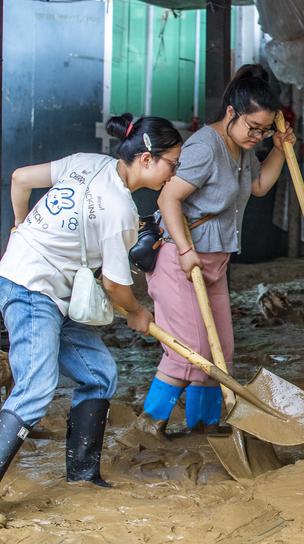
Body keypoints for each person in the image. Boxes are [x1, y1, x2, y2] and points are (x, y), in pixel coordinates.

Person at [0, 114, 180, 487]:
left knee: (99, 374)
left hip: (56, 290)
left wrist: (19, 226)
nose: (172, 174)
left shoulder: (86, 161)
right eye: (171, 165)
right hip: (32, 287)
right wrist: (137, 312)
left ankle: (83, 476)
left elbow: (19, 179)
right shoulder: (120, 210)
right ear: (147, 159)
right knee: (35, 389)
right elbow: (115, 286)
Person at [135, 65, 296, 438]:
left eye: (264, 129)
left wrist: (279, 148)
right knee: (187, 349)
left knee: (219, 347)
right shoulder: (204, 148)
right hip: (178, 258)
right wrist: (186, 250)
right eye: (252, 127)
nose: (257, 135)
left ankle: (203, 425)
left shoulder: (241, 147)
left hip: (216, 261)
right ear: (230, 113)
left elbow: (256, 186)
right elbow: (168, 197)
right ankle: (149, 423)